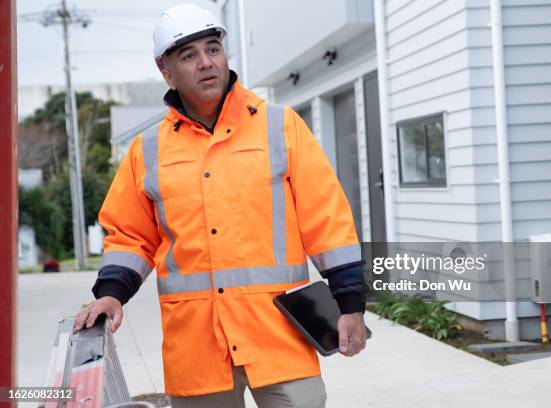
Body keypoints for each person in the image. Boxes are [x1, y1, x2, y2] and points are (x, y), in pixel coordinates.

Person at [72, 4, 368, 407]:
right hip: (197, 349)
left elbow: (327, 220)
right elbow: (130, 235)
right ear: (167, 72)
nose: (206, 62)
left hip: (278, 337)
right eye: (189, 55)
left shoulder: (280, 127)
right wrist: (111, 294)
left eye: (213, 49)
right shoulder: (149, 150)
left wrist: (350, 304)